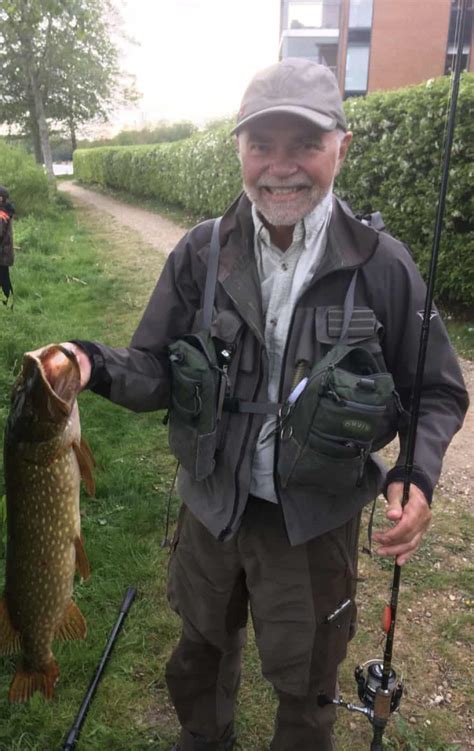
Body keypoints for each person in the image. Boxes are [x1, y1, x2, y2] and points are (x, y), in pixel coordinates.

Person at [45, 59, 468, 750]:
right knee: (200, 651)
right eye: (261, 144)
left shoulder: (383, 266)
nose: (281, 166)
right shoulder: (200, 253)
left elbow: (438, 390)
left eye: (303, 143)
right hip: (212, 505)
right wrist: (92, 362)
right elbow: (153, 367)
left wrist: (415, 474)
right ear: (238, 150)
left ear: (341, 145)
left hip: (313, 526)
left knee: (306, 681)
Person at [0, 185, 15, 306]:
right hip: (4, 253)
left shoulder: (2, 215)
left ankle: (9, 302)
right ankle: (8, 302)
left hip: (2, 253)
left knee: (4, 278)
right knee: (4, 277)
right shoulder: (4, 211)